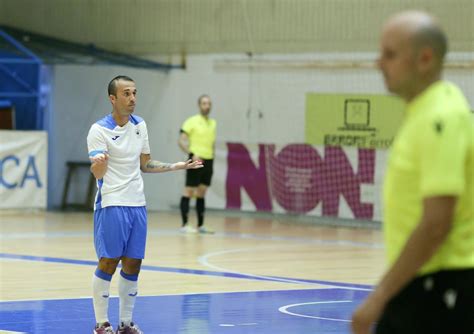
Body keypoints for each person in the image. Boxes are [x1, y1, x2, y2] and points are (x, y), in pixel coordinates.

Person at [351, 11, 474, 334]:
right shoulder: (423, 111)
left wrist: (378, 298)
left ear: (425, 59)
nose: (379, 63)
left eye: (389, 55)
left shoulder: (440, 118)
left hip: (437, 285)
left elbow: (436, 224)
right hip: (421, 283)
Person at [87, 75, 202, 334]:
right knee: (108, 261)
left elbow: (145, 164)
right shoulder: (99, 130)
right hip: (112, 204)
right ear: (112, 98)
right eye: (126, 94)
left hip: (137, 204)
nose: (132, 99)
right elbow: (97, 172)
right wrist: (99, 165)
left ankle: (126, 324)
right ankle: (101, 324)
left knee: (133, 263)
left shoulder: (140, 126)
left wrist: (178, 165)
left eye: (135, 93)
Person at [178, 94, 217, 234]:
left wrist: (212, 156)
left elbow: (212, 143)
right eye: (204, 103)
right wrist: (191, 153)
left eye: (209, 103)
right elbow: (181, 141)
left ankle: (201, 225)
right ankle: (184, 224)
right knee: (189, 190)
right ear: (199, 105)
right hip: (196, 159)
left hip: (209, 160)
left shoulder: (213, 123)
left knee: (202, 192)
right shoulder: (191, 122)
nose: (207, 106)